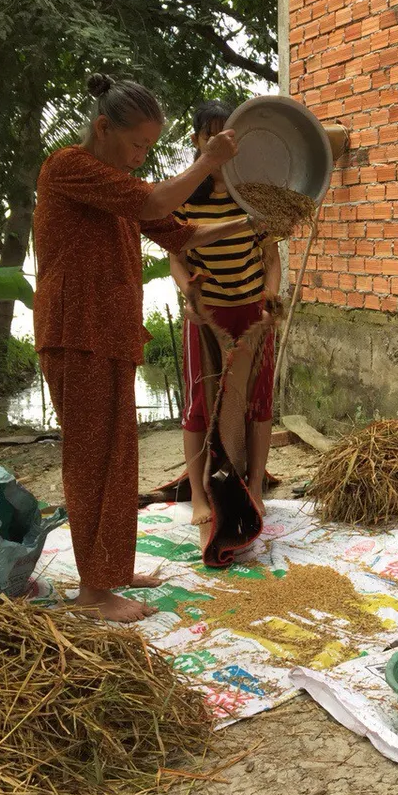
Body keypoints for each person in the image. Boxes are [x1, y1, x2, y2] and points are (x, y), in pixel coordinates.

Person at [33, 74, 260, 622]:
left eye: (149, 149)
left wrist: (251, 221)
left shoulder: (114, 185)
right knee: (92, 461)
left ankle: (109, 570)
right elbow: (159, 197)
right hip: (76, 335)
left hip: (107, 336)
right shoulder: (69, 167)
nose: (141, 157)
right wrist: (208, 160)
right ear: (102, 127)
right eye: (137, 145)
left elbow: (180, 230)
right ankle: (93, 594)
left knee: (117, 455)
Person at [169, 100, 282, 543]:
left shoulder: (254, 194)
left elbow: (270, 258)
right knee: (201, 402)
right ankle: (199, 494)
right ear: (197, 142)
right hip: (207, 315)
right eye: (208, 136)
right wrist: (188, 294)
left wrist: (271, 294)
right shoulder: (183, 200)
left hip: (253, 314)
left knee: (257, 400)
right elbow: (177, 259)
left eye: (226, 137)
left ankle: (253, 486)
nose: (218, 145)